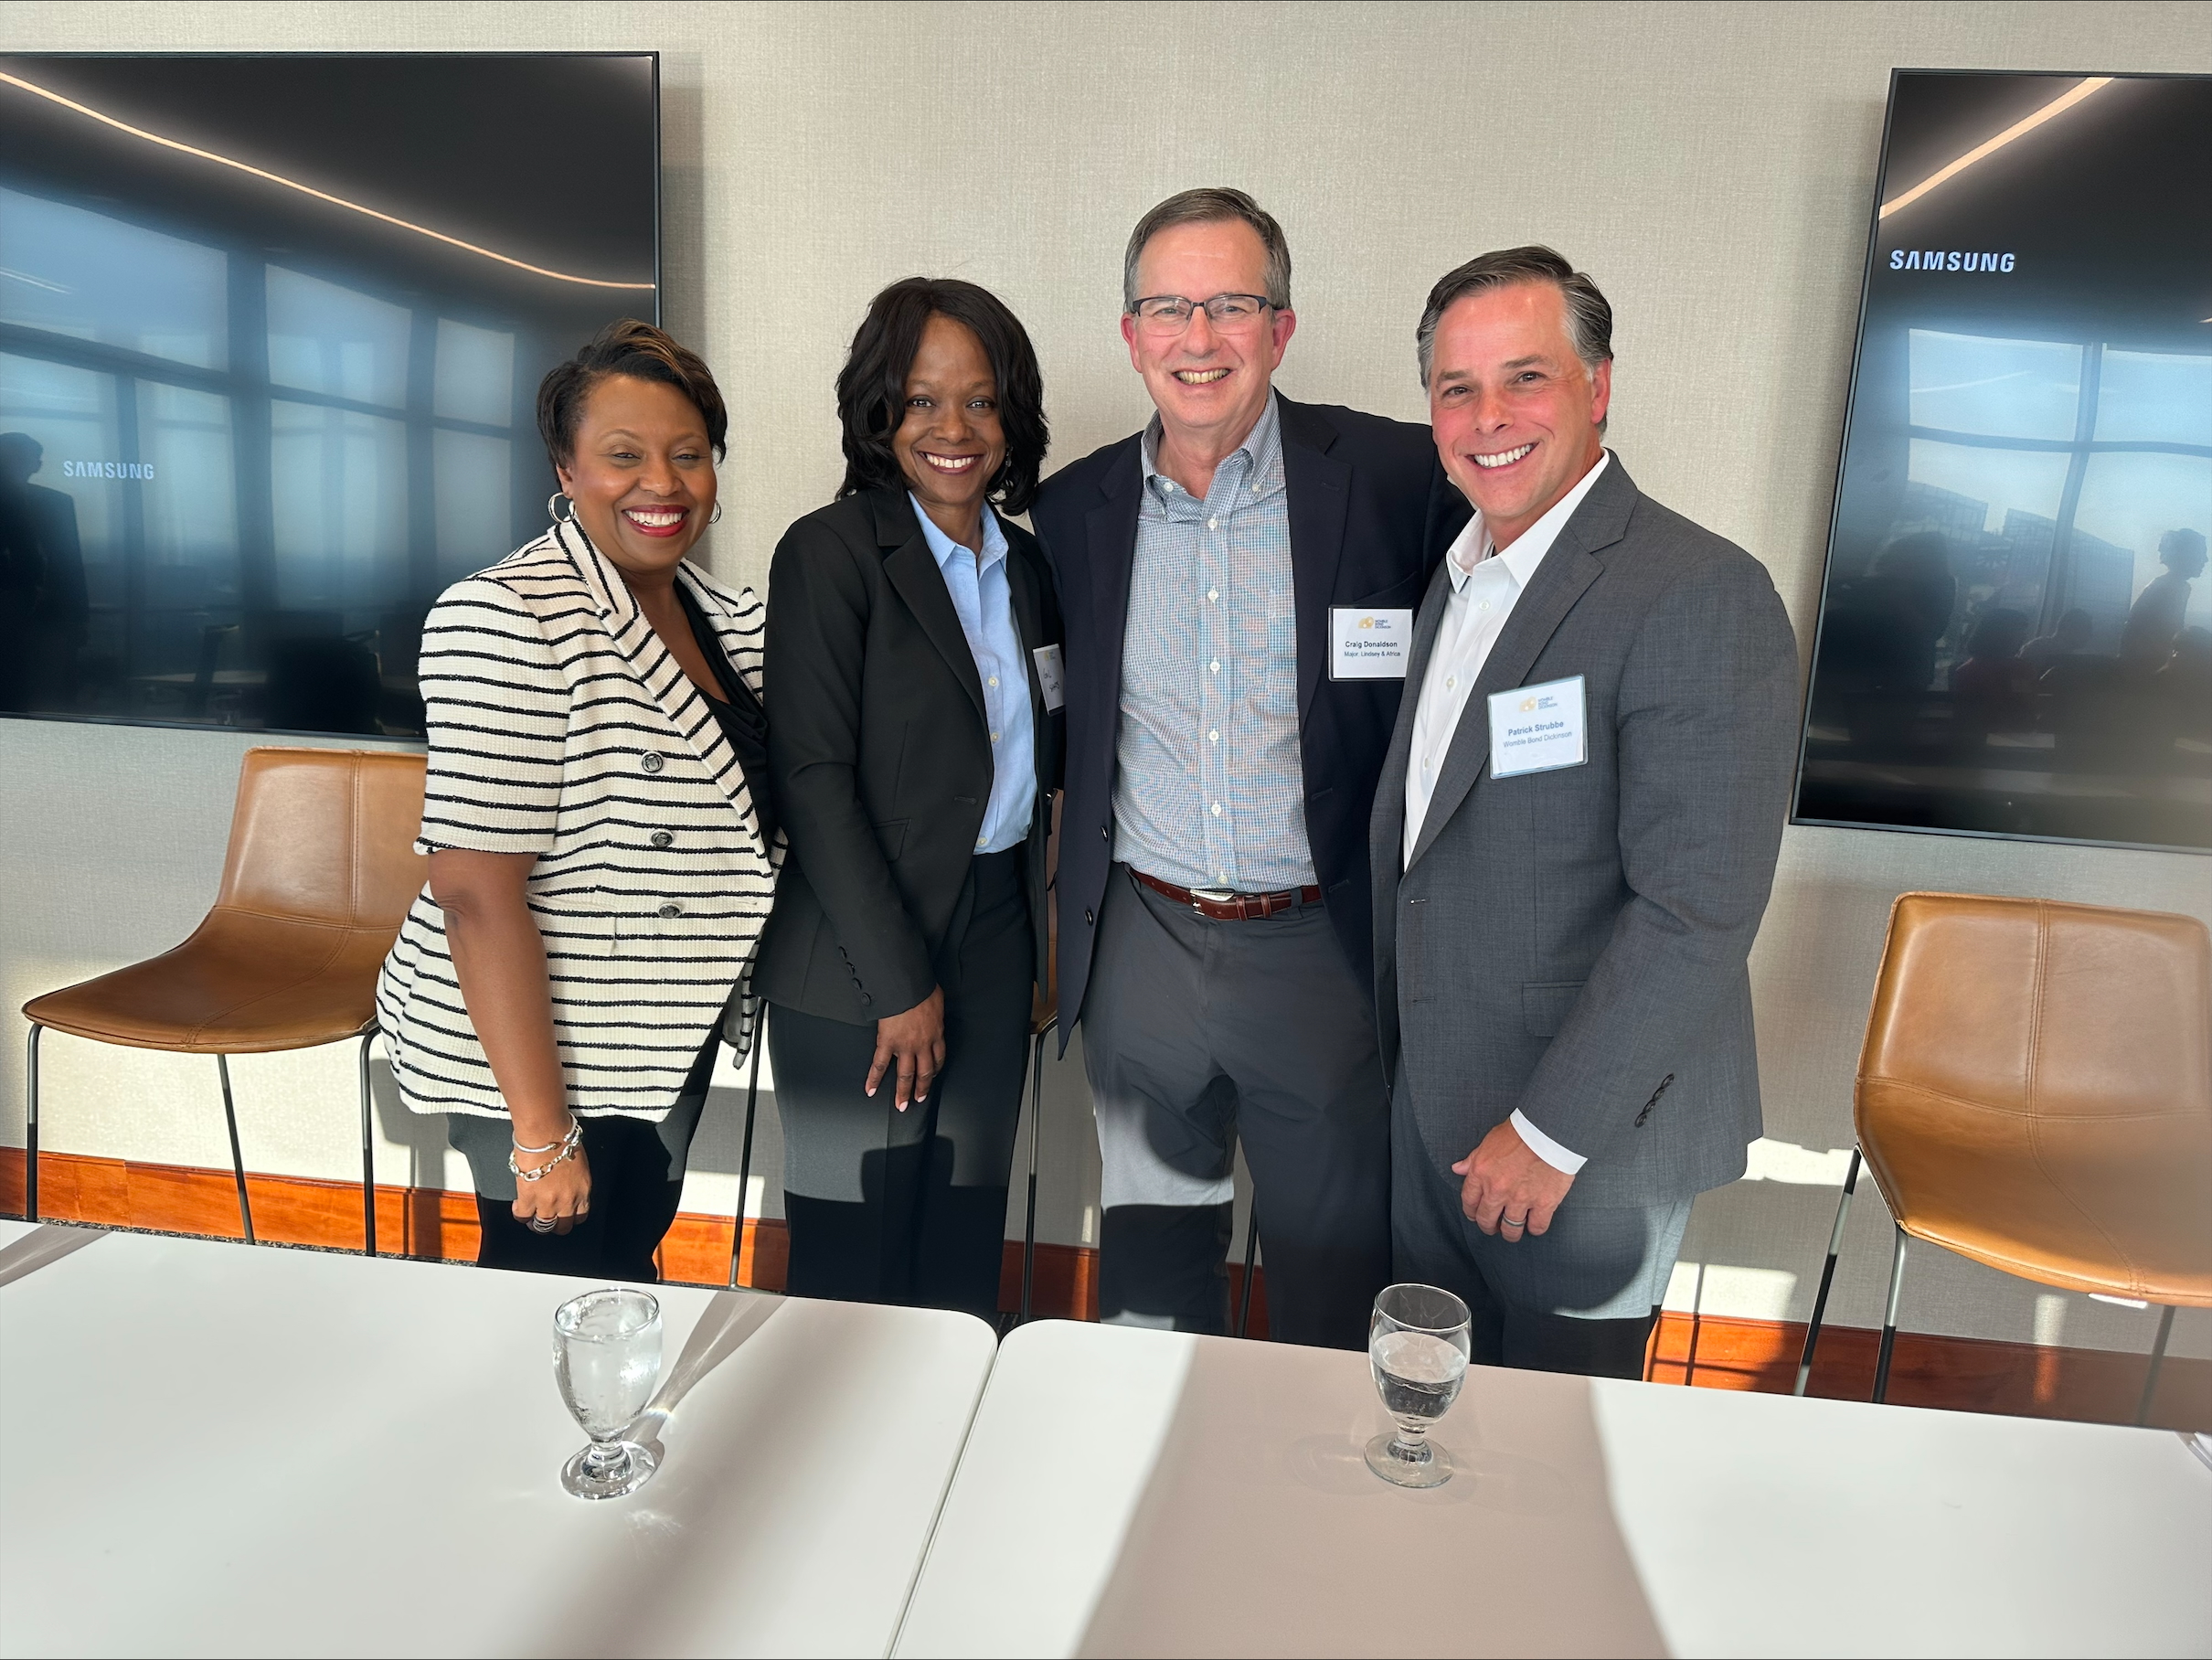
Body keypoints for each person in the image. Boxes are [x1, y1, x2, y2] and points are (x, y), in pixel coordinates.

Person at [1030, 187, 1466, 1348]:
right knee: (1147, 1273)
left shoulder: (1394, 476)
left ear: (1280, 327)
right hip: (1141, 944)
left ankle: (1312, 1511)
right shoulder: (1074, 507)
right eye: (1168, 307)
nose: (1198, 336)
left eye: (1232, 304)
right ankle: (1152, 1485)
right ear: (1129, 336)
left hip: (1319, 946)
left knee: (1332, 1274)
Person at [1372, 247, 1799, 1378]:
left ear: (1597, 386)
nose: (1486, 417)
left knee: (1552, 1457)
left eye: (1526, 377)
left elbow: (1695, 908)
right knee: (1437, 1420)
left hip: (1582, 1138)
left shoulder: (1697, 591)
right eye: (1455, 389)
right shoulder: (1458, 575)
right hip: (1436, 1107)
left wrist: (1548, 1133)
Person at [375, 320, 778, 1281]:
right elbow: (474, 892)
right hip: (539, 1050)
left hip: (660, 1023)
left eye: (688, 455)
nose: (663, 484)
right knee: (544, 1292)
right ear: (564, 469)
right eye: (623, 456)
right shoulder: (504, 615)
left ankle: (610, 1432)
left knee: (626, 1259)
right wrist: (541, 1130)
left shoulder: (730, 618)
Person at [756, 278, 1060, 1320]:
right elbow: (811, 779)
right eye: (920, 400)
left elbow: (1038, 764)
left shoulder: (1026, 566)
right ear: (877, 412)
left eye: (979, 401)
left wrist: (1041, 946)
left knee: (961, 1250)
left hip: (996, 935)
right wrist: (898, 984)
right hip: (859, 957)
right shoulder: (828, 554)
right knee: (855, 1266)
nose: (952, 429)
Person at [0, 432, 86, 712]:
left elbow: (70, 564)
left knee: (48, 696)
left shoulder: (57, 503)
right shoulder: (54, 503)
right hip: (21, 614)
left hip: (52, 619)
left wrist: (78, 618)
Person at [2120, 527, 2208, 673]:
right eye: (2201, 553)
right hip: (2145, 671)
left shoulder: (2176, 586)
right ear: (2185, 555)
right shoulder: (2169, 588)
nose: (2206, 559)